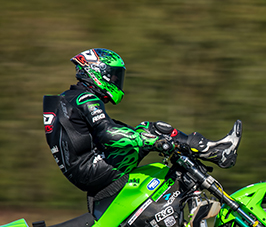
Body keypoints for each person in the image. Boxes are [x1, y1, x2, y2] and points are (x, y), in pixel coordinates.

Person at [44, 48, 238, 218]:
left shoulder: (70, 98)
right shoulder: (83, 98)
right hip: (92, 169)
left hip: (86, 169)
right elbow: (108, 133)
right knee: (153, 130)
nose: (116, 81)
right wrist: (151, 141)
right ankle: (213, 154)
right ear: (97, 73)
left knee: (153, 133)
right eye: (113, 76)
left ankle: (207, 161)